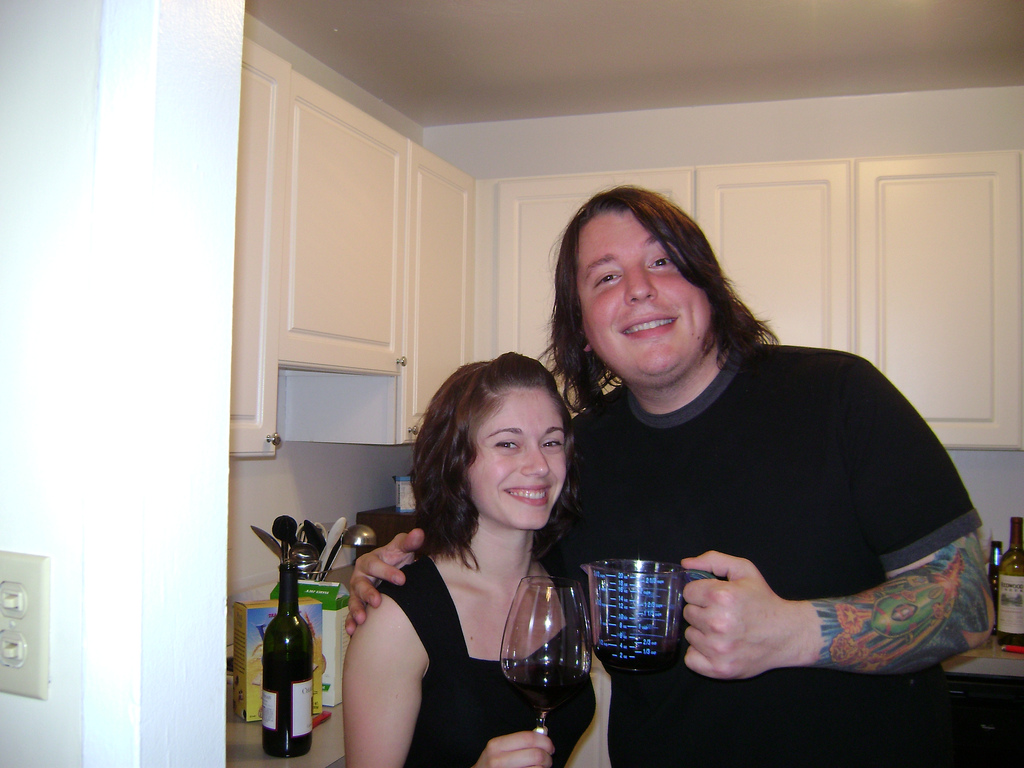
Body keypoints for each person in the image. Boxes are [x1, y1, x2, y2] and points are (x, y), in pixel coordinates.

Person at [347, 187, 994, 767]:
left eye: (662, 262)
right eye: (606, 277)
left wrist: (797, 632)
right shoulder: (576, 457)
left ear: (707, 286)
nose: (638, 289)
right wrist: (393, 574)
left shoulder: (839, 398)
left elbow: (968, 606)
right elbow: (496, 562)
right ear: (583, 328)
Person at [342, 352, 596, 768]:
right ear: (456, 462)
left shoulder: (566, 581)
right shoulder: (398, 619)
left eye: (551, 442)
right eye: (508, 443)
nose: (539, 466)